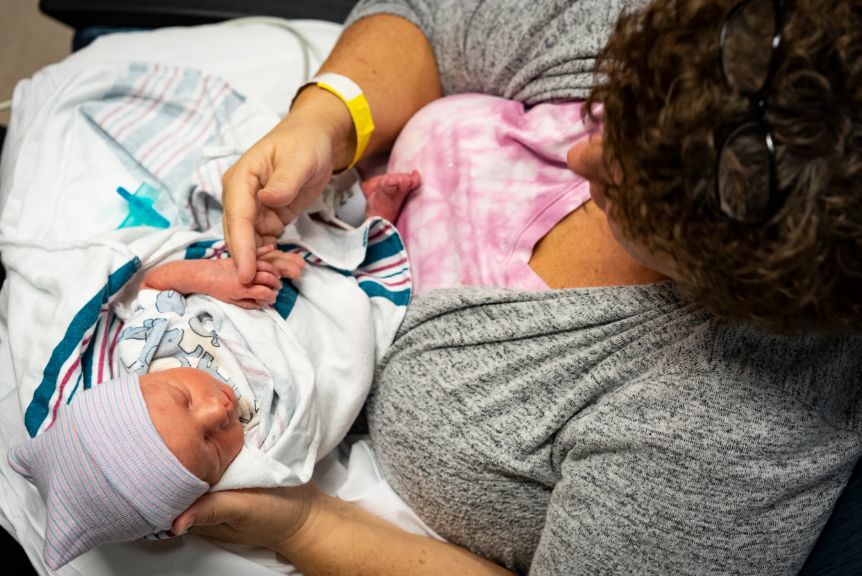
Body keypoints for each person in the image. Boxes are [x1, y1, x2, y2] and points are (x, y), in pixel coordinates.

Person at [176, 1, 861, 575]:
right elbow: (429, 16)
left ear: (718, 278)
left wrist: (302, 528)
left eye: (616, 188)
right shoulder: (702, 46)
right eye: (605, 109)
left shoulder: (717, 439)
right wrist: (327, 120)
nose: (577, 153)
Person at [7, 167, 422, 570]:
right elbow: (308, 438)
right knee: (362, 321)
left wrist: (213, 277)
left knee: (268, 230)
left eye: (184, 398)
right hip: (308, 333)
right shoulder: (252, 465)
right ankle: (374, 222)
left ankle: (346, 211)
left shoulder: (139, 352)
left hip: (248, 290)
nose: (216, 411)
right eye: (209, 446)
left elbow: (154, 285)